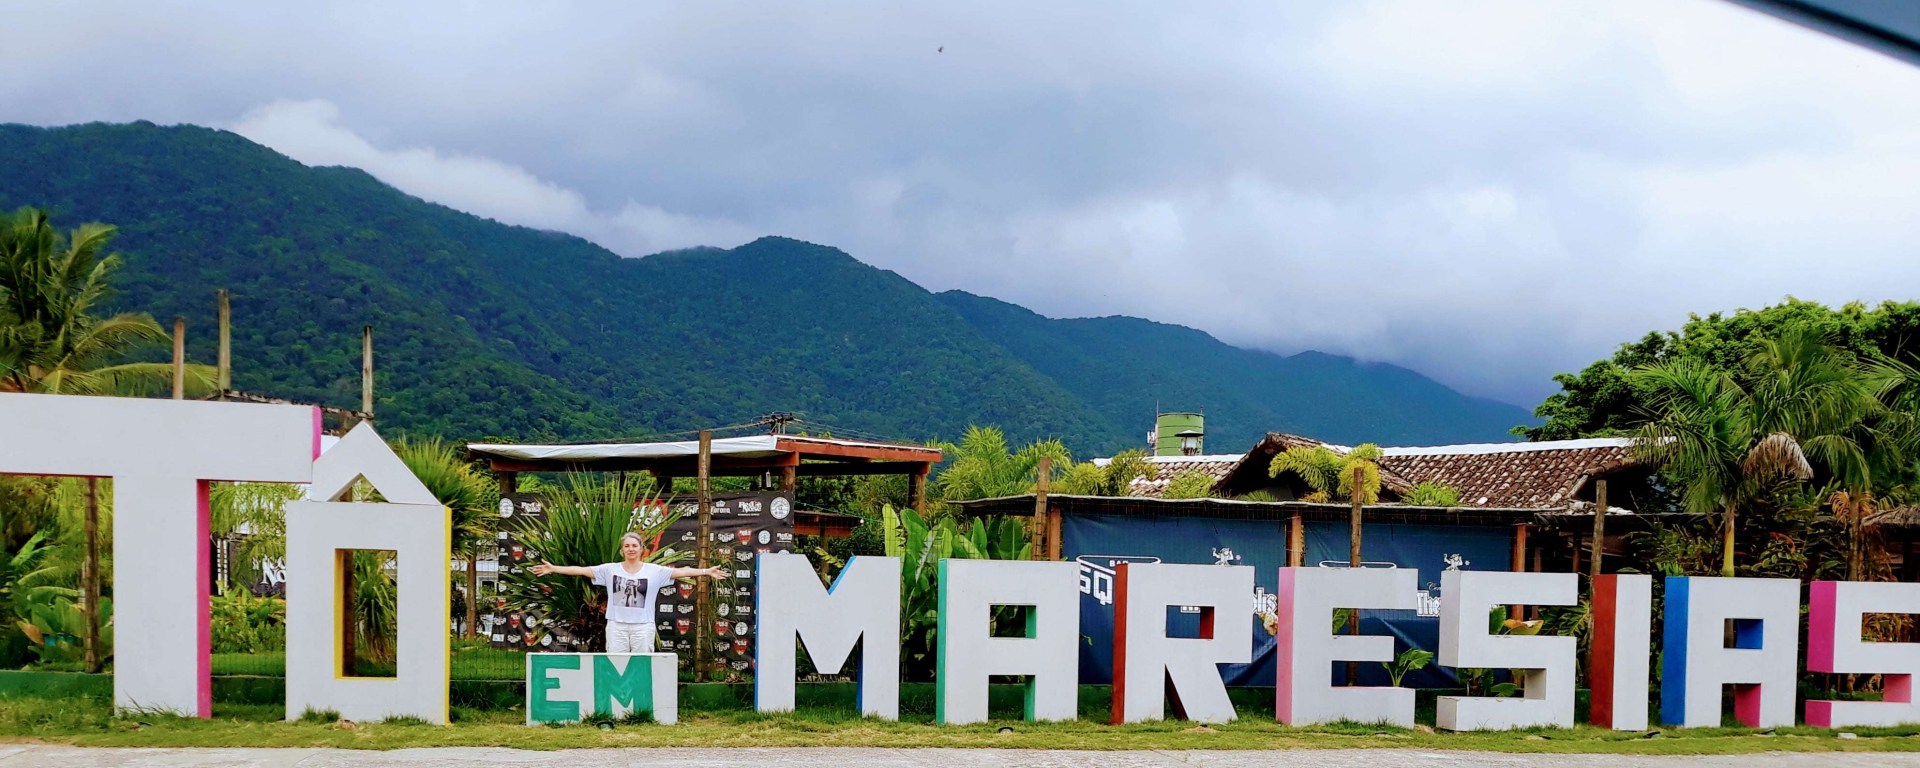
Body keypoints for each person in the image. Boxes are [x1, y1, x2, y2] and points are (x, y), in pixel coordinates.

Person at [531, 532, 727, 653]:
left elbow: (682, 572)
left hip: (643, 627)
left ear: (642, 549)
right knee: (616, 664)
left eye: (634, 546)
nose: (631, 549)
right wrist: (554, 568)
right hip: (616, 627)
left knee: (642, 665)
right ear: (622, 550)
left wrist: (706, 571)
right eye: (627, 546)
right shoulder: (610, 569)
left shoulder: (654, 571)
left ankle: (641, 707)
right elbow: (582, 570)